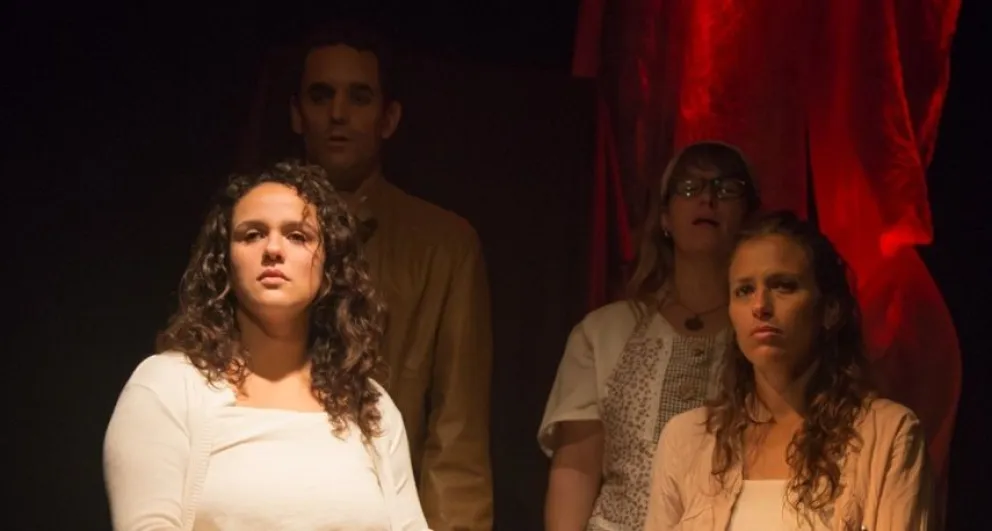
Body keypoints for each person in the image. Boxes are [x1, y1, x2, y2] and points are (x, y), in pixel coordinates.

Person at [103, 161, 430, 531]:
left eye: (298, 236)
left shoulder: (370, 405)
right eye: (252, 235)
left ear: (328, 264)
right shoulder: (167, 386)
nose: (273, 248)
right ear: (224, 262)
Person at [287, 21, 493, 530]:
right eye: (321, 95)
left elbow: (457, 431)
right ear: (296, 113)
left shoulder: (442, 244)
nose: (338, 113)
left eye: (359, 97)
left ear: (389, 117)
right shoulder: (252, 234)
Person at [644, 211, 934, 530]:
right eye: (744, 290)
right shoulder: (688, 439)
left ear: (829, 310)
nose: (760, 306)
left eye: (783, 286)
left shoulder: (888, 434)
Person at [539, 141, 762, 530]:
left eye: (727, 189)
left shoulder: (766, 335)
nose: (707, 199)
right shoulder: (604, 333)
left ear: (748, 217)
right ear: (665, 218)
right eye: (689, 187)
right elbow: (576, 468)